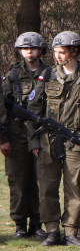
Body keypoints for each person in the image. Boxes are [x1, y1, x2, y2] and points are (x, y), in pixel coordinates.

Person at [29, 32, 80, 247]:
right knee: (47, 187)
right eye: (55, 52)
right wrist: (34, 141)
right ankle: (51, 230)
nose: (58, 56)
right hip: (48, 140)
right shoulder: (47, 75)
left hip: (76, 139)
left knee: (74, 186)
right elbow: (32, 111)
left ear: (75, 52)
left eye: (62, 52)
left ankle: (71, 231)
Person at [1, 32, 47, 238]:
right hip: (17, 134)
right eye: (25, 49)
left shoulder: (50, 73)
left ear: (40, 50)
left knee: (40, 180)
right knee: (18, 181)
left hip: (42, 134)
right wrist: (4, 139)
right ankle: (20, 224)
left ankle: (37, 223)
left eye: (33, 48)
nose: (29, 52)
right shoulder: (12, 75)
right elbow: (2, 109)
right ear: (20, 51)